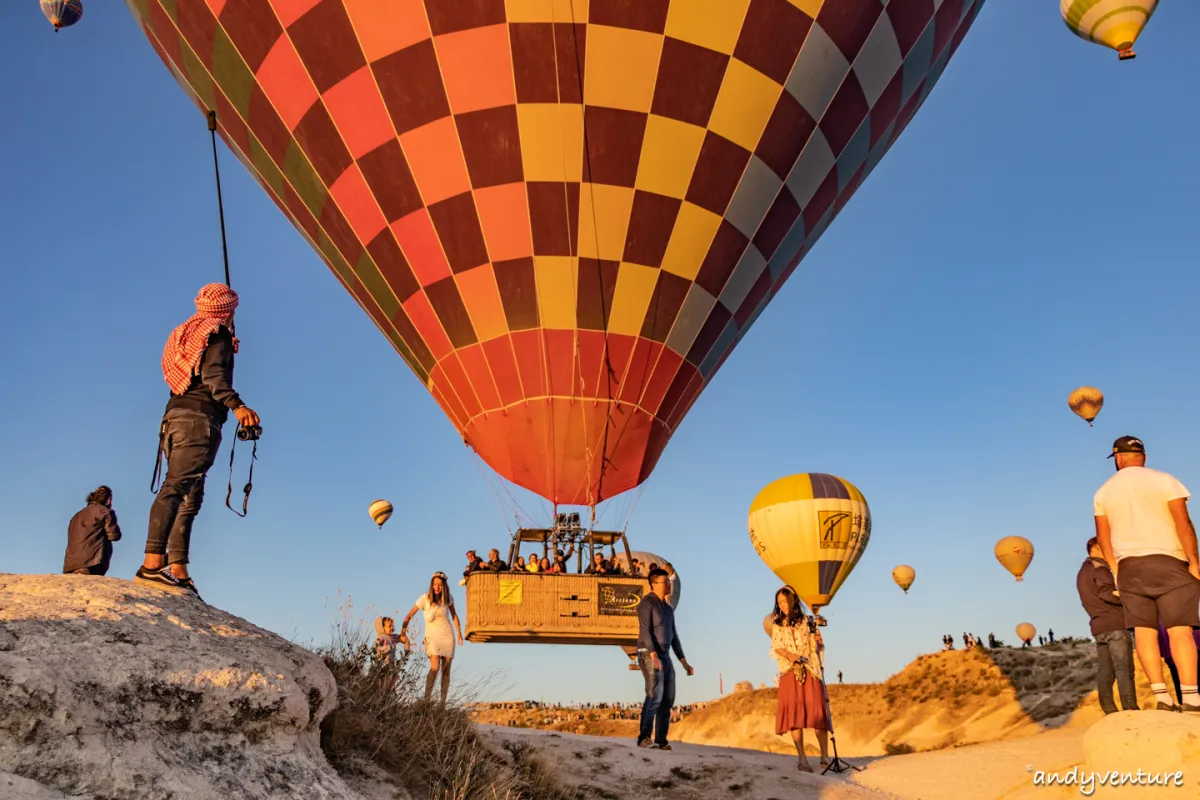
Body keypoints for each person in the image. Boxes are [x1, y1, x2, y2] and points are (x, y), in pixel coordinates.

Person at [136, 283, 259, 599]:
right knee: (177, 488)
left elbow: (192, 370)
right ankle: (152, 566)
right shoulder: (216, 334)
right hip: (199, 420)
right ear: (227, 309)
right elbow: (214, 376)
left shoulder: (188, 332)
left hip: (174, 417)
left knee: (191, 494)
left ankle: (177, 569)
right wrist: (238, 405)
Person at [1094, 435, 1200, 711]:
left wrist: (1116, 570)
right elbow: (1184, 523)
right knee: (1180, 631)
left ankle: (1161, 696)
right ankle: (1190, 697)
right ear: (1144, 456)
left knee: (1144, 632)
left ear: (1117, 458)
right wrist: (1194, 561)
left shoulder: (1103, 491)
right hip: (1169, 561)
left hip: (1129, 566)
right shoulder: (1165, 480)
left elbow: (1102, 537)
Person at [769, 585, 830, 772]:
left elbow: (816, 645)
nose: (783, 605)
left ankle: (825, 755)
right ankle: (802, 758)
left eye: (785, 601)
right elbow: (776, 647)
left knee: (817, 712)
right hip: (789, 671)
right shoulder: (778, 625)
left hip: (810, 668)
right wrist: (790, 656)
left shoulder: (807, 621)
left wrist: (819, 641)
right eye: (779, 603)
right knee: (794, 716)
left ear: (793, 600)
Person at [1076, 536, 1139, 714]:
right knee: (1124, 668)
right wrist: (1128, 597)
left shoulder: (1082, 571)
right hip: (1115, 624)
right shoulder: (1101, 568)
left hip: (1098, 626)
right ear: (1096, 548)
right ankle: (1130, 708)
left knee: (1106, 671)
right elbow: (1106, 594)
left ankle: (1109, 709)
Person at [635, 567, 693, 750]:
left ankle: (661, 740)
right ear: (654, 584)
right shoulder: (646, 603)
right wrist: (653, 655)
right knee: (655, 694)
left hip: (666, 655)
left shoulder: (668, 609)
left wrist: (683, 661)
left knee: (668, 699)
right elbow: (645, 630)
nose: (669, 585)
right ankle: (643, 738)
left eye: (669, 581)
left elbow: (674, 635)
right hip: (648, 653)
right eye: (665, 582)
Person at [400, 572, 464, 706]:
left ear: (444, 586)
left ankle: (442, 703)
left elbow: (454, 616)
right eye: (435, 584)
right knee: (434, 667)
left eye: (440, 585)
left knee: (446, 670)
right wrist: (403, 630)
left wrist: (459, 633)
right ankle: (426, 700)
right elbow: (409, 615)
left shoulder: (448, 599)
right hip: (432, 636)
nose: (437, 587)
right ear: (431, 585)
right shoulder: (424, 598)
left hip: (447, 635)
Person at [63, 485, 122, 576]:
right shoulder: (105, 512)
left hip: (70, 565)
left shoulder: (77, 516)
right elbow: (114, 536)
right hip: (93, 564)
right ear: (108, 500)